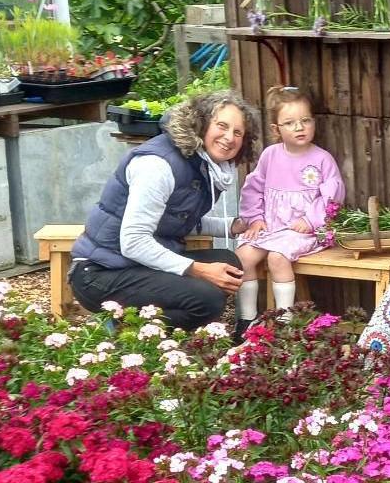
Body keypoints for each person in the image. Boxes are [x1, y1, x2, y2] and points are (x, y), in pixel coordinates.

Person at [70, 90, 261, 330]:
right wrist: (200, 270)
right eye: (221, 126)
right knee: (207, 300)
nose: (229, 137)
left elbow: (174, 220)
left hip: (133, 265)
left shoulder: (200, 163)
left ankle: (141, 317)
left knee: (229, 262)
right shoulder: (158, 165)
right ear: (200, 124)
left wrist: (234, 226)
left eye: (238, 132)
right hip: (100, 273)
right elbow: (134, 241)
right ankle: (127, 329)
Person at [235, 86, 344, 337]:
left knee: (276, 257)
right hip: (271, 226)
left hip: (304, 231)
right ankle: (246, 319)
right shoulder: (270, 156)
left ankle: (285, 322)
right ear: (276, 129)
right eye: (290, 123)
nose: (300, 127)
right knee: (243, 256)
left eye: (305, 120)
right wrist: (255, 220)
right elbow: (253, 189)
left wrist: (311, 219)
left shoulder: (321, 159)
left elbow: (332, 195)